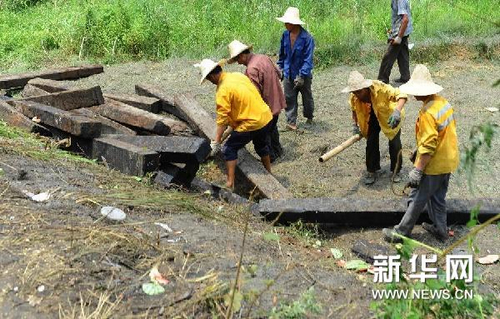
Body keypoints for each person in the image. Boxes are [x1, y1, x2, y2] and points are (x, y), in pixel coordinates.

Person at [383, 64, 459, 243]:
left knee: (417, 197)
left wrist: (418, 168)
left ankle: (401, 232)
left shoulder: (427, 112)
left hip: (434, 165)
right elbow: (440, 135)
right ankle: (441, 230)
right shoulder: (442, 103)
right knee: (438, 198)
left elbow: (429, 146)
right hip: (448, 161)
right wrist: (418, 150)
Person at [193, 59, 273, 189]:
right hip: (265, 117)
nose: (211, 82)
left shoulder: (222, 90)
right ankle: (269, 172)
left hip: (252, 123)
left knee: (229, 149)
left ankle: (230, 183)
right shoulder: (237, 75)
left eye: (209, 79)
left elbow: (222, 119)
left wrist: (216, 142)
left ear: (212, 76)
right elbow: (242, 102)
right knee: (261, 145)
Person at [342, 71, 408, 185]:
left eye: (359, 91)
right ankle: (372, 170)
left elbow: (401, 95)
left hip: (390, 115)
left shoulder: (381, 88)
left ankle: (396, 170)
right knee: (371, 141)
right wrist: (355, 125)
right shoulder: (355, 96)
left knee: (395, 143)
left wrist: (397, 112)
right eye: (354, 92)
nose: (357, 94)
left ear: (366, 87)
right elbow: (354, 109)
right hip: (370, 114)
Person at [227, 40, 285, 162]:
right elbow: (280, 74)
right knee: (272, 128)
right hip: (277, 101)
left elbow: (253, 94)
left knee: (263, 134)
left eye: (238, 60)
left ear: (242, 55)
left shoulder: (251, 69)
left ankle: (271, 157)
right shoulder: (264, 58)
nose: (238, 62)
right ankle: (278, 151)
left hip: (266, 106)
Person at [276, 7, 315, 130]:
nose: (285, 24)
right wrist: (280, 68)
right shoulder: (285, 35)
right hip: (288, 73)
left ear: (294, 23)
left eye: (287, 22)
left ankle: (309, 117)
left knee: (307, 98)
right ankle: (291, 122)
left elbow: (308, 60)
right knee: (289, 98)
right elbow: (282, 54)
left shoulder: (307, 38)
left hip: (303, 74)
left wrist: (302, 75)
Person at [377, 0, 413, 84]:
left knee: (388, 56)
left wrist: (399, 37)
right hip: (403, 31)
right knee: (402, 54)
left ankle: (382, 80)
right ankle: (405, 77)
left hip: (401, 32)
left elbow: (405, 19)